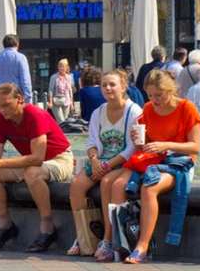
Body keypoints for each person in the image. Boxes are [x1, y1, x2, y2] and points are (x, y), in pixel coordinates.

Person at [106, 68, 200, 264]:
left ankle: (142, 245)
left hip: (179, 163)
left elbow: (195, 146)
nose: (153, 100)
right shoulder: (148, 109)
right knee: (117, 185)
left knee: (149, 187)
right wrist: (137, 139)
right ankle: (118, 243)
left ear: (170, 91)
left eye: (158, 95)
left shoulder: (187, 108)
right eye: (150, 95)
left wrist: (166, 145)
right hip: (153, 160)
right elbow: (143, 147)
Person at [0, 83, 73, 252]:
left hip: (60, 159)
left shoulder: (35, 114)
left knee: (32, 173)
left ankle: (48, 226)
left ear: (19, 99)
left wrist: (1, 163)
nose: (2, 110)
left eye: (6, 105)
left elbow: (37, 158)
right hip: (31, 163)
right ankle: (5, 225)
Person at [68, 69, 139, 258]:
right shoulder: (98, 112)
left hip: (122, 163)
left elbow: (132, 148)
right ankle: (83, 235)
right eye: (104, 85)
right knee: (76, 185)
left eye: (112, 84)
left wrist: (107, 166)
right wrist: (94, 160)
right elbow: (91, 142)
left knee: (107, 182)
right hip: (99, 162)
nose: (107, 88)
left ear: (123, 87)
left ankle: (107, 240)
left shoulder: (134, 111)